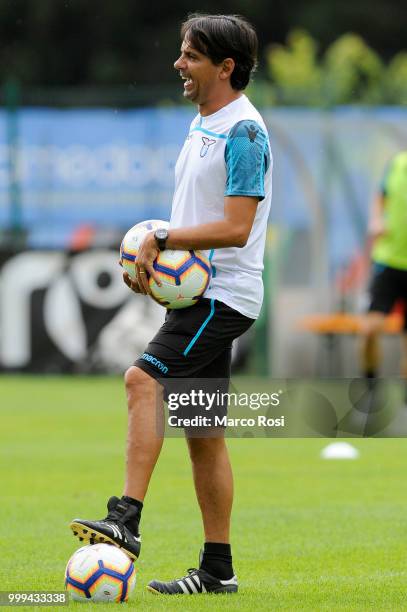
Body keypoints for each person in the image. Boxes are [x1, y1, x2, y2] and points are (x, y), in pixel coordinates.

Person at [69, 13, 272, 595]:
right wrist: (156, 264)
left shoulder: (245, 133)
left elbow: (235, 228)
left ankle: (125, 520)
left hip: (222, 295)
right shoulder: (204, 122)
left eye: (190, 56)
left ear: (225, 67)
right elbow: (196, 219)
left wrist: (165, 240)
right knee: (204, 435)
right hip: (198, 293)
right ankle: (218, 571)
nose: (178, 64)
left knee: (141, 380)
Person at [361, 150, 407, 382]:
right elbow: (380, 196)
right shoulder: (398, 164)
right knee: (369, 330)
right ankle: (369, 389)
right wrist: (376, 219)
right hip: (388, 262)